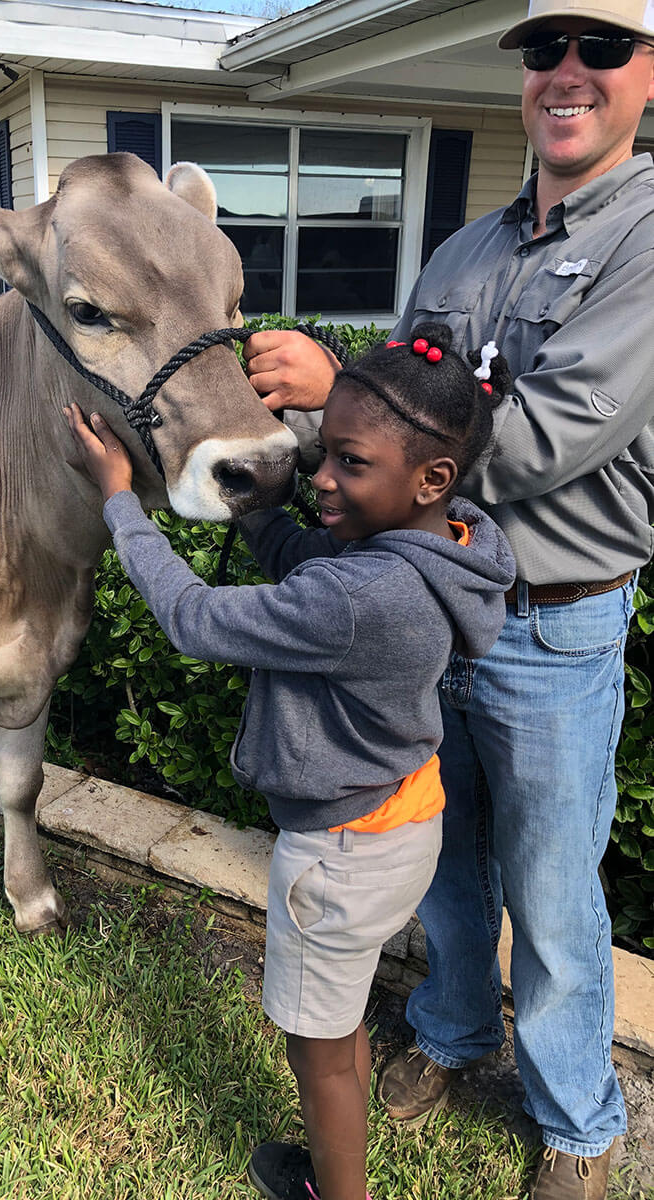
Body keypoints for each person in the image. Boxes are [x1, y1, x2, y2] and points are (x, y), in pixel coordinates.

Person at [240, 4, 654, 1197]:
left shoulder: (642, 239)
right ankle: (457, 1034)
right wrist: (311, 403)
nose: (566, 73)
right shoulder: (465, 251)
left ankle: (579, 1121)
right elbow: (382, 418)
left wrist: (339, 383)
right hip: (419, 607)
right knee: (443, 858)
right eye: (543, 51)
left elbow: (549, 434)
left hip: (552, 617)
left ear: (644, 75)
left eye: (600, 49)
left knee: (553, 885)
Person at [65, 323, 516, 1200]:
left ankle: (335, 1191)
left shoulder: (358, 597)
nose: (321, 478)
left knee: (318, 1059)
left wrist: (120, 499)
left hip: (337, 855)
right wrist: (261, 504)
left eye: (348, 463)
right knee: (336, 1016)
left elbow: (195, 619)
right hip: (401, 822)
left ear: (429, 478)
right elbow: (312, 558)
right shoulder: (445, 546)